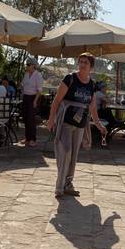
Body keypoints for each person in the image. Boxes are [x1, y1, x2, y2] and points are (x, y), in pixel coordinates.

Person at [47, 53, 107, 199]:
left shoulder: (91, 84)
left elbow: (92, 106)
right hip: (66, 122)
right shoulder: (70, 79)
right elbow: (57, 100)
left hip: (80, 124)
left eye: (85, 62)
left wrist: (98, 124)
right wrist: (51, 119)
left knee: (73, 156)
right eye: (80, 61)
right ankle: (59, 187)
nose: (82, 64)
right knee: (65, 151)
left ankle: (68, 184)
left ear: (91, 67)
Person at [21, 57, 43, 146]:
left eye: (28, 65)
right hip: (26, 97)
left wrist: (35, 101)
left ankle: (33, 139)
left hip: (34, 98)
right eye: (26, 64)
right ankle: (27, 138)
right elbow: (23, 84)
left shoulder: (38, 75)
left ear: (33, 66)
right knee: (26, 118)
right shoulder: (26, 74)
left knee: (31, 119)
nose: (27, 66)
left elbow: (39, 90)